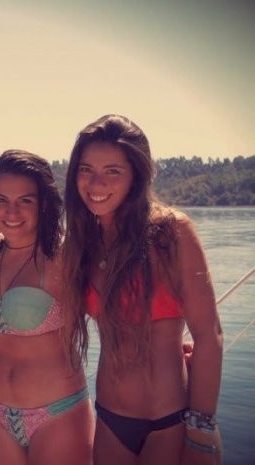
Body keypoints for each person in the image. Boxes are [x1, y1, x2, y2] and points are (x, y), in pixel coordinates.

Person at [63, 114, 223, 465]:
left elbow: (209, 335)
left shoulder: (170, 233)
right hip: (109, 420)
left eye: (112, 171)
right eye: (86, 169)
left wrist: (201, 432)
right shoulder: (83, 243)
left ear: (136, 175)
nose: (96, 183)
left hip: (169, 421)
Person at [0, 150, 93, 465]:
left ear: (43, 204)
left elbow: (115, 308)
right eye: (1, 200)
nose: (12, 211)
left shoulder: (64, 256)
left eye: (25, 200)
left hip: (57, 413)